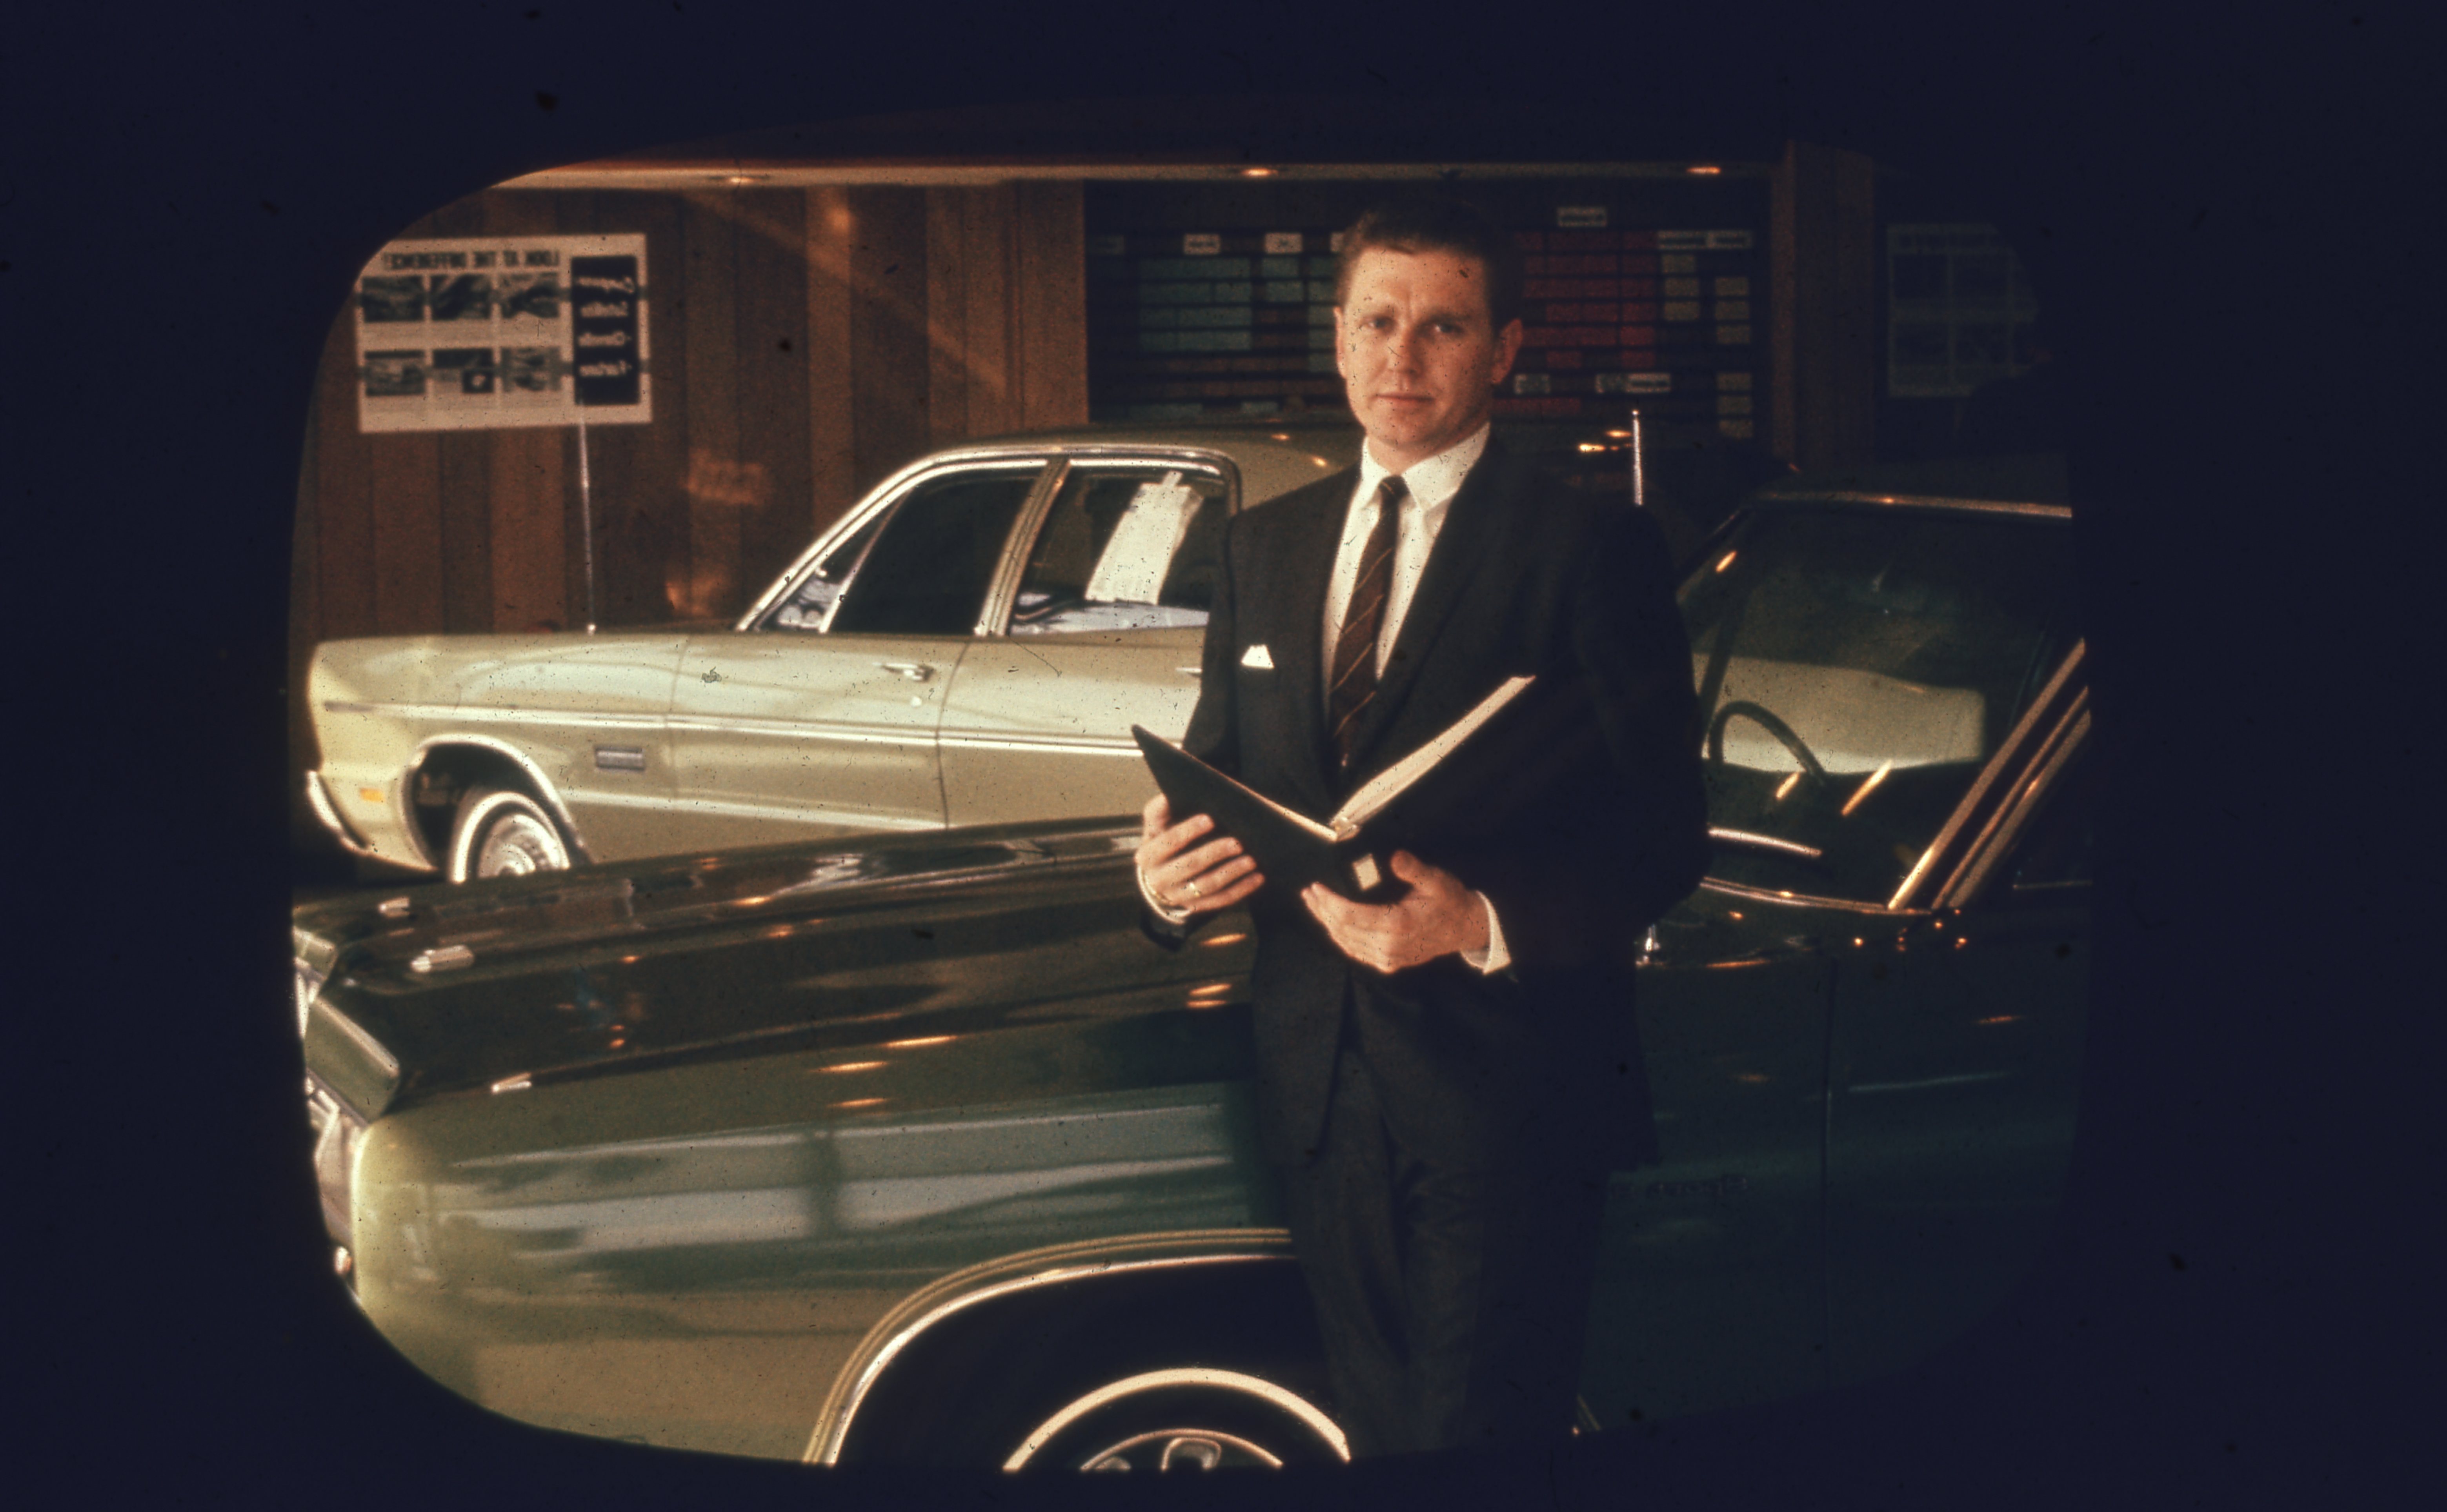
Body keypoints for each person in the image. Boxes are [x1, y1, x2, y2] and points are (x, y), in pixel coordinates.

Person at [1133, 196, 1710, 1457]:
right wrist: (1167, 877)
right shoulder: (1260, 548)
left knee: (1475, 1439)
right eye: (1378, 323)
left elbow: (1668, 831)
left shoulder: (1592, 547)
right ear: (1338, 337)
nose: (1403, 356)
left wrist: (1483, 921)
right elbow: (1220, 776)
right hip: (1316, 1085)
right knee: (1383, 1433)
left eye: (1442, 326)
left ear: (1504, 350)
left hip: (1508, 1093)